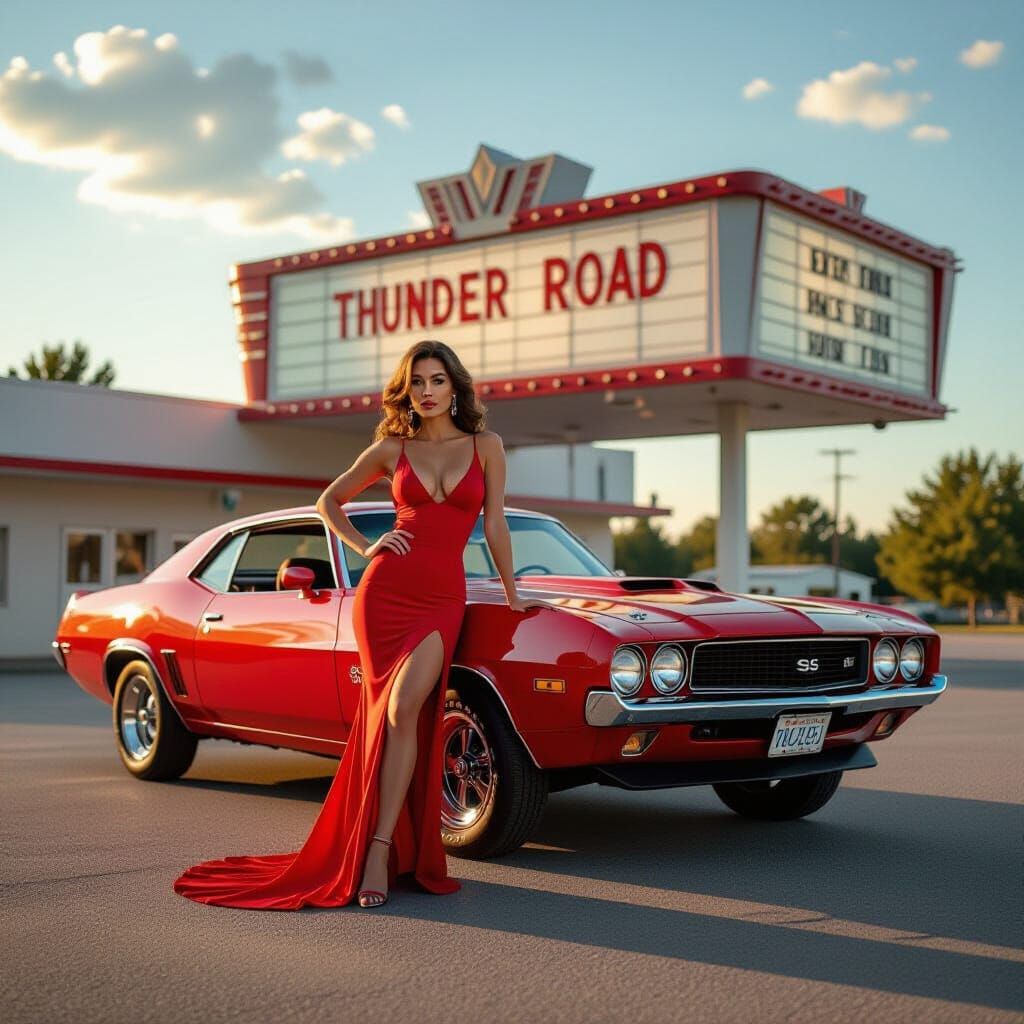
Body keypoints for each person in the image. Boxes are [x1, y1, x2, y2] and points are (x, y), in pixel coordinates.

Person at [172, 340, 548, 910]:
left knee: (403, 712)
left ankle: (379, 845)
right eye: (417, 381)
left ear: (455, 387)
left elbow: (494, 524)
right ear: (407, 390)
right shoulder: (390, 448)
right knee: (389, 715)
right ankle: (376, 848)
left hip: (442, 597)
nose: (426, 391)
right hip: (386, 594)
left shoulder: (487, 446)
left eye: (437, 381)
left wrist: (514, 592)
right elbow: (329, 501)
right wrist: (366, 546)